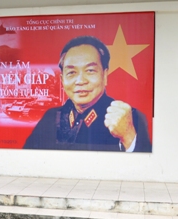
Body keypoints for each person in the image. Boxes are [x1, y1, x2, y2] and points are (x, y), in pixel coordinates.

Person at [23, 35, 152, 152]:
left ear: (105, 75)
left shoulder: (128, 118)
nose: (80, 81)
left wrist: (128, 137)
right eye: (71, 73)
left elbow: (146, 166)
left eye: (90, 70)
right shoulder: (51, 117)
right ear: (62, 79)